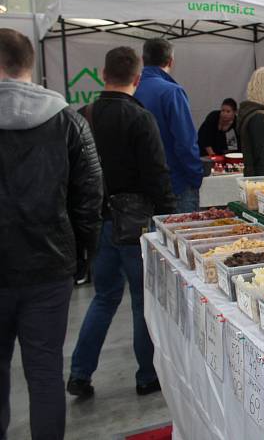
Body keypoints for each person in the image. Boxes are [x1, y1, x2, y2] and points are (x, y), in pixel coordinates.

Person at [0, 29, 103, 440]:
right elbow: (90, 197)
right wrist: (80, 257)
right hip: (50, 268)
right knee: (44, 373)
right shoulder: (68, 121)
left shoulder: (70, 121)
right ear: (31, 66)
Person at [67, 46, 176, 400]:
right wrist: (169, 218)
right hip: (136, 225)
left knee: (104, 298)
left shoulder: (85, 115)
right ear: (137, 78)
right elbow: (157, 175)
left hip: (100, 223)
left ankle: (80, 372)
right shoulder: (140, 119)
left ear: (102, 74)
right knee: (142, 300)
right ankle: (146, 376)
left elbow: (75, 178)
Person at [134, 38, 203, 213]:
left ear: (143, 59)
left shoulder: (132, 90)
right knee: (182, 237)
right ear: (170, 61)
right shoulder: (172, 92)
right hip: (176, 183)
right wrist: (195, 176)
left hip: (140, 185)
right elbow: (185, 142)